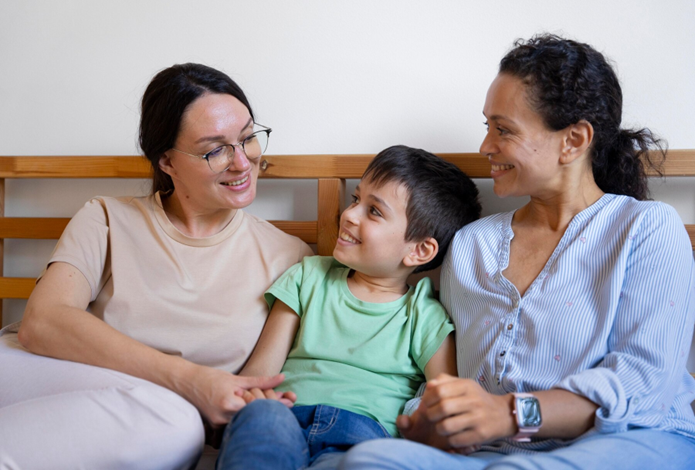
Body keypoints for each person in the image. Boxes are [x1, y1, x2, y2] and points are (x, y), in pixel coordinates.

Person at [341, 34, 695, 470]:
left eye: (503, 129)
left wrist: (509, 413)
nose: (485, 146)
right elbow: (461, 379)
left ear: (574, 140)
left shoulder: (645, 229)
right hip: (494, 455)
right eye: (486, 126)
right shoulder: (473, 246)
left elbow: (642, 389)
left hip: (634, 440)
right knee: (371, 459)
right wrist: (431, 424)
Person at [0, 63, 313, 469]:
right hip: (34, 375)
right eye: (215, 149)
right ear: (167, 160)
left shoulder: (289, 258)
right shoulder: (106, 218)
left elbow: (244, 391)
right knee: (175, 420)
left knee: (175, 425)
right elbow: (42, 323)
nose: (241, 162)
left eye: (248, 137)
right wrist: (190, 381)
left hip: (142, 423)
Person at [215, 145, 482, 469]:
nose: (348, 214)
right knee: (261, 421)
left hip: (364, 436)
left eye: (374, 211)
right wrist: (253, 400)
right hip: (284, 413)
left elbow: (446, 403)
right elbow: (260, 372)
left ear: (419, 250)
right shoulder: (308, 276)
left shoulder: (423, 315)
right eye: (356, 199)